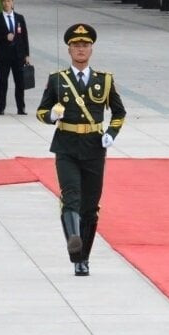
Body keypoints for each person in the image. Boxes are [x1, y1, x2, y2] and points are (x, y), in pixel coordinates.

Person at [35, 23, 126, 276]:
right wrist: (52, 115)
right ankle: (74, 244)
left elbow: (119, 112)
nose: (81, 49)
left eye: (85, 45)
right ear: (69, 49)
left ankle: (83, 257)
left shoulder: (104, 81)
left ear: (91, 50)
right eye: (76, 45)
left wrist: (111, 133)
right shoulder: (58, 80)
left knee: (90, 206)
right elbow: (41, 112)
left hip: (94, 148)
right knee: (71, 196)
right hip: (66, 145)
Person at [0, 0, 31, 115]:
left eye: (9, 1)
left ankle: (21, 108)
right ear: (1, 3)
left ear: (13, 2)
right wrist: (4, 38)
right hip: (4, 56)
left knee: (20, 83)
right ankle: (1, 107)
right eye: (4, 1)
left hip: (18, 56)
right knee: (3, 82)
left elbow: (24, 37)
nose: (6, 3)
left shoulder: (19, 18)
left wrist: (27, 55)